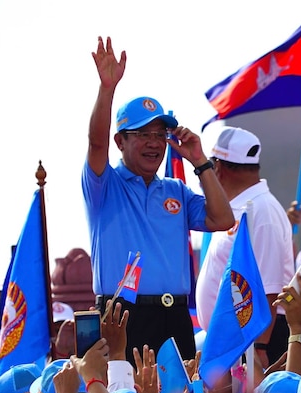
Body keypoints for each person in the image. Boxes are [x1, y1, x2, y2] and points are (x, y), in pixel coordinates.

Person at [83, 37, 233, 361]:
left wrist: (200, 160)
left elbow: (223, 219)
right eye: (142, 134)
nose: (154, 143)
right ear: (120, 141)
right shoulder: (104, 186)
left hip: (175, 316)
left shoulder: (176, 190)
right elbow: (96, 145)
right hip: (121, 315)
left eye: (159, 135)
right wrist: (107, 88)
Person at [195, 127, 294, 368]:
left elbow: (270, 288)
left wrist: (259, 348)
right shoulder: (241, 209)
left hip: (255, 337)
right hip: (239, 337)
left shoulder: (260, 210)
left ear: (217, 167)